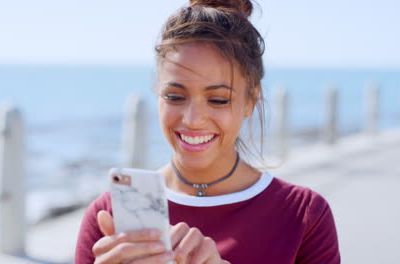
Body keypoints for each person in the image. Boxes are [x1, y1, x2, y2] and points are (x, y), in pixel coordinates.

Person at [75, 0, 341, 263]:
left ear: (251, 99)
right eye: (175, 96)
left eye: (218, 100)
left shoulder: (303, 215)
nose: (192, 120)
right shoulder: (108, 215)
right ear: (157, 92)